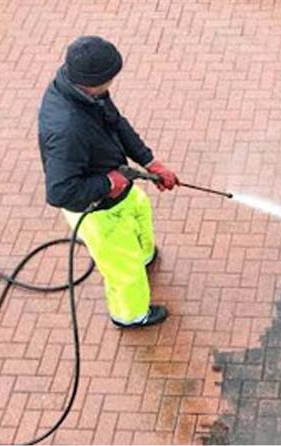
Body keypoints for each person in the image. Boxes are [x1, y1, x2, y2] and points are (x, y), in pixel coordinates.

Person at [38, 36, 178, 328]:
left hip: (118, 192)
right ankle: (131, 315)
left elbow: (116, 122)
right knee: (124, 273)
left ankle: (143, 256)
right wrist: (106, 182)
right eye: (110, 77)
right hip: (96, 211)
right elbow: (60, 191)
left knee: (139, 208)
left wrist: (150, 161)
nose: (113, 82)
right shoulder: (67, 128)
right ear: (95, 79)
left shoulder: (87, 92)